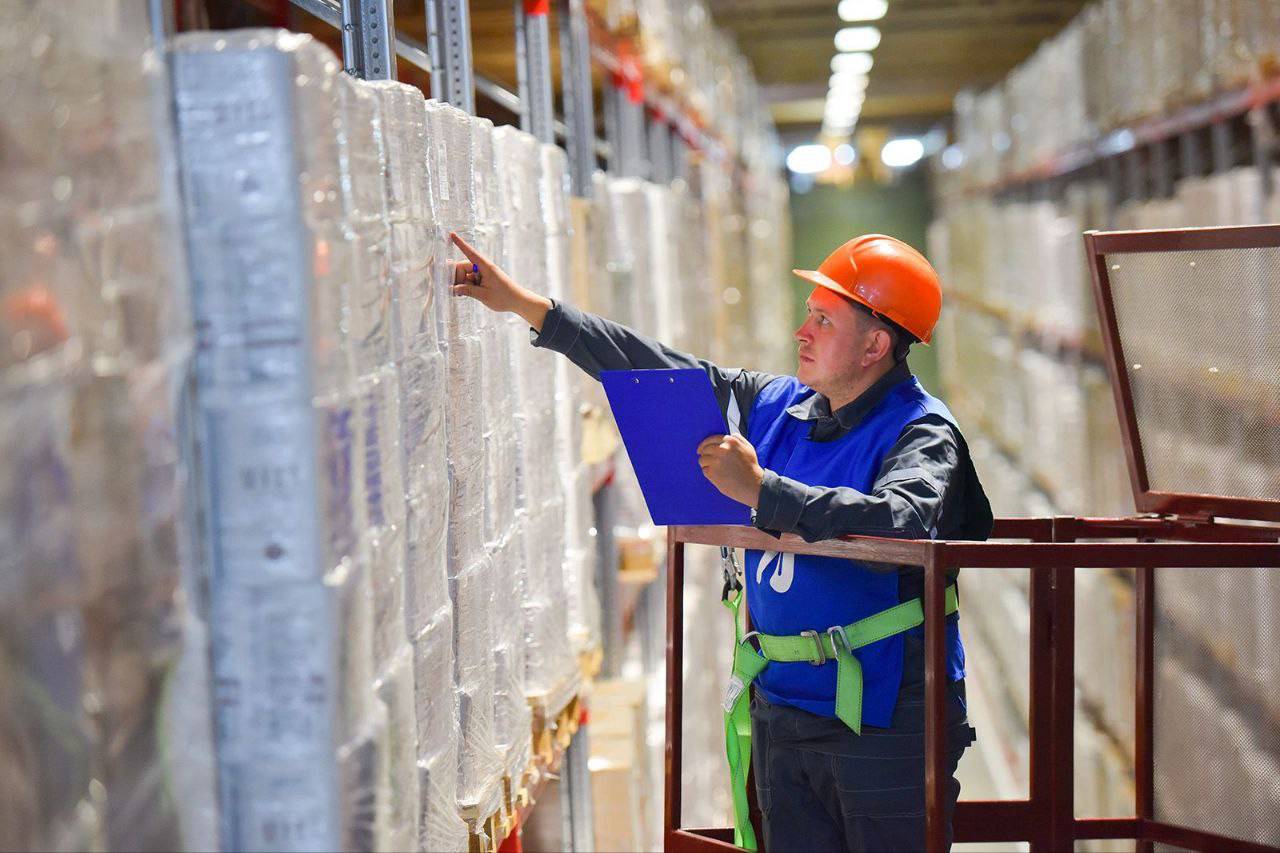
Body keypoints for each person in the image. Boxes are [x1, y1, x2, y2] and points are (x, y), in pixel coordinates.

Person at [447, 230, 992, 853]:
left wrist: (762, 491)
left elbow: (903, 520)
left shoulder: (922, 432)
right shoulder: (778, 407)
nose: (802, 332)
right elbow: (656, 372)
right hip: (782, 706)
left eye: (824, 320)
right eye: (808, 314)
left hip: (886, 721)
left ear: (876, 345)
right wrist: (530, 307)